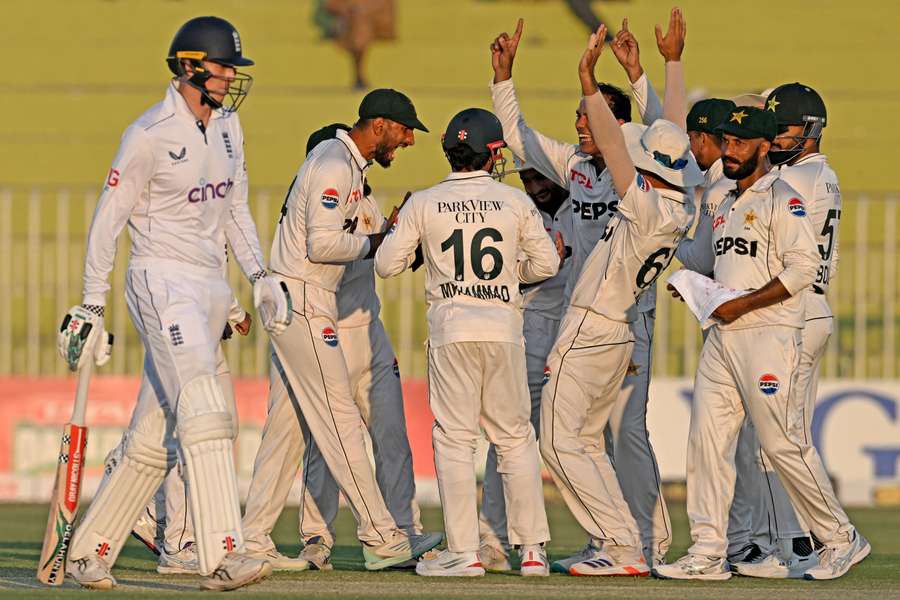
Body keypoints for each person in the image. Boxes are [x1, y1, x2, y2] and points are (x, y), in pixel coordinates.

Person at [55, 16, 292, 591]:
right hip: (160, 280)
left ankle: (90, 551)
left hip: (209, 282)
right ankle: (221, 554)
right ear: (190, 67)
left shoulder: (230, 126)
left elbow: (233, 208)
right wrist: (92, 303)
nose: (232, 76)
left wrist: (256, 277)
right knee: (208, 412)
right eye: (223, 66)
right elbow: (108, 221)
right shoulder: (148, 134)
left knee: (154, 432)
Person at [654, 106, 868, 581]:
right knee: (706, 442)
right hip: (723, 336)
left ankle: (840, 537)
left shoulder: (784, 199)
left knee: (780, 443)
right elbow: (717, 261)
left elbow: (802, 270)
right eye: (726, 141)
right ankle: (708, 551)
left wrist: (742, 304)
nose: (728, 151)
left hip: (770, 335)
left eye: (739, 143)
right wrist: (693, 282)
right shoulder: (727, 199)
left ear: (764, 147)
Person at [253, 89, 441, 571]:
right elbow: (321, 244)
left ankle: (253, 539)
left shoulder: (343, 163)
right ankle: (381, 538)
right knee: (339, 422)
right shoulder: (336, 162)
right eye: (403, 131)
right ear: (378, 125)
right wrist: (379, 240)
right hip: (307, 299)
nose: (408, 141)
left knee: (287, 431)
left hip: (298, 299)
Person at [538, 24, 698, 578]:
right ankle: (619, 541)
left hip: (590, 328)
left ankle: (621, 542)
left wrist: (587, 80)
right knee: (584, 439)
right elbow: (672, 130)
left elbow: (612, 141)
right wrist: (669, 64)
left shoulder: (645, 205)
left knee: (558, 442)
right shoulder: (683, 203)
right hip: (619, 329)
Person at [375, 107, 561, 577]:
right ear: (492, 152)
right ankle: (533, 551)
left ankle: (464, 551)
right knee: (516, 438)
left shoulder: (425, 202)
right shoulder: (514, 202)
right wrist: (510, 278)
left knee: (455, 441)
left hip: (452, 329)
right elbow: (547, 265)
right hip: (502, 328)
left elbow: (386, 265)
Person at [731, 82, 844, 579]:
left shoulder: (804, 178)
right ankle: (787, 541)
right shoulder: (811, 172)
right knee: (779, 436)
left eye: (785, 130)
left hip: (796, 309)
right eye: (772, 130)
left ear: (812, 131)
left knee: (778, 440)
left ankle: (801, 543)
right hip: (802, 309)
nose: (774, 139)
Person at [104, 299, 252, 575]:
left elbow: (211, 265)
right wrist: (232, 311)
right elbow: (189, 262)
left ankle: (151, 510)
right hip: (180, 325)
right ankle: (179, 543)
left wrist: (220, 311)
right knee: (191, 435)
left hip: (203, 321)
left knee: (224, 429)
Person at [476, 161, 573, 572]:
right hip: (530, 328)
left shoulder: (586, 206)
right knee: (511, 435)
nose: (535, 187)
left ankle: (623, 540)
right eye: (527, 179)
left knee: (589, 439)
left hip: (579, 330)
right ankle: (493, 538)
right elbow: (501, 275)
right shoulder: (515, 209)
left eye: (540, 177)